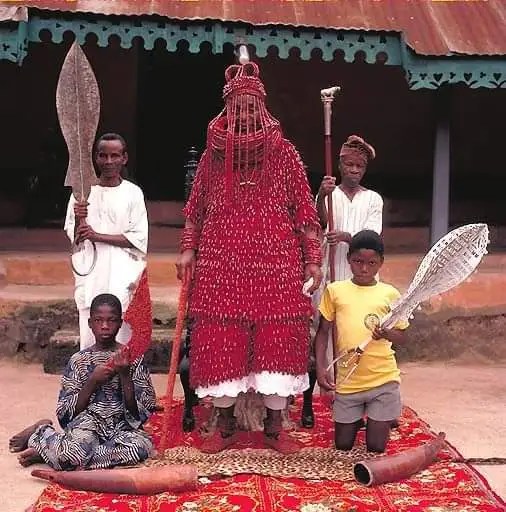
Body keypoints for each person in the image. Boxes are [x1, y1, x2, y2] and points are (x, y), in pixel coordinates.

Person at [177, 59, 322, 454]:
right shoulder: (211, 158)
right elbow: (195, 211)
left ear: (261, 107)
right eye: (236, 106)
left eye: (249, 106)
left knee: (280, 341)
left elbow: (306, 215)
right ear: (227, 109)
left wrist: (312, 259)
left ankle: (275, 426)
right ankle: (224, 425)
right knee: (219, 341)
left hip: (277, 264)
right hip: (220, 263)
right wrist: (188, 251)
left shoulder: (286, 155)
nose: (242, 113)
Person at [9, 293, 156, 469]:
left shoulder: (132, 359)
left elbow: (142, 412)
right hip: (87, 426)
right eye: (98, 320)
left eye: (112, 320)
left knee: (139, 449)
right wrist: (93, 381)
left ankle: (49, 451)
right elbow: (65, 413)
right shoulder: (78, 360)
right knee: (76, 451)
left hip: (122, 428)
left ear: (120, 323)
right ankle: (42, 432)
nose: (105, 326)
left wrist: (125, 375)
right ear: (90, 324)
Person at [301, 135, 383, 428]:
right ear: (339, 165)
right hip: (329, 268)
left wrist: (347, 237)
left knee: (357, 332)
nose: (353, 170)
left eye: (359, 166)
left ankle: (360, 393)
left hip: (357, 274)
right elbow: (316, 223)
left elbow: (372, 238)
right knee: (322, 329)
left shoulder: (373, 199)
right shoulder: (329, 193)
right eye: (348, 164)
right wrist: (322, 196)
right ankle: (319, 391)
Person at [314, 230, 409, 453]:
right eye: (358, 261)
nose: (364, 268)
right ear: (348, 259)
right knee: (343, 445)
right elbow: (323, 332)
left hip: (382, 379)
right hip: (348, 382)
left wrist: (386, 333)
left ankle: (381, 418)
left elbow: (403, 337)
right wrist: (321, 367)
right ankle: (361, 418)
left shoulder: (390, 294)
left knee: (375, 447)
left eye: (371, 263)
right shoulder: (335, 290)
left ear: (381, 263)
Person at [64, 133, 149, 350]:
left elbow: (137, 238)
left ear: (124, 158)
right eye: (103, 156)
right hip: (91, 271)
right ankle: (88, 376)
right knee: (90, 326)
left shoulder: (133, 193)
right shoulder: (80, 193)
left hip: (123, 272)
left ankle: (121, 380)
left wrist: (97, 235)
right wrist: (79, 218)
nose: (109, 162)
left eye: (115, 155)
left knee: (121, 328)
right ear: (96, 158)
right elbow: (75, 238)